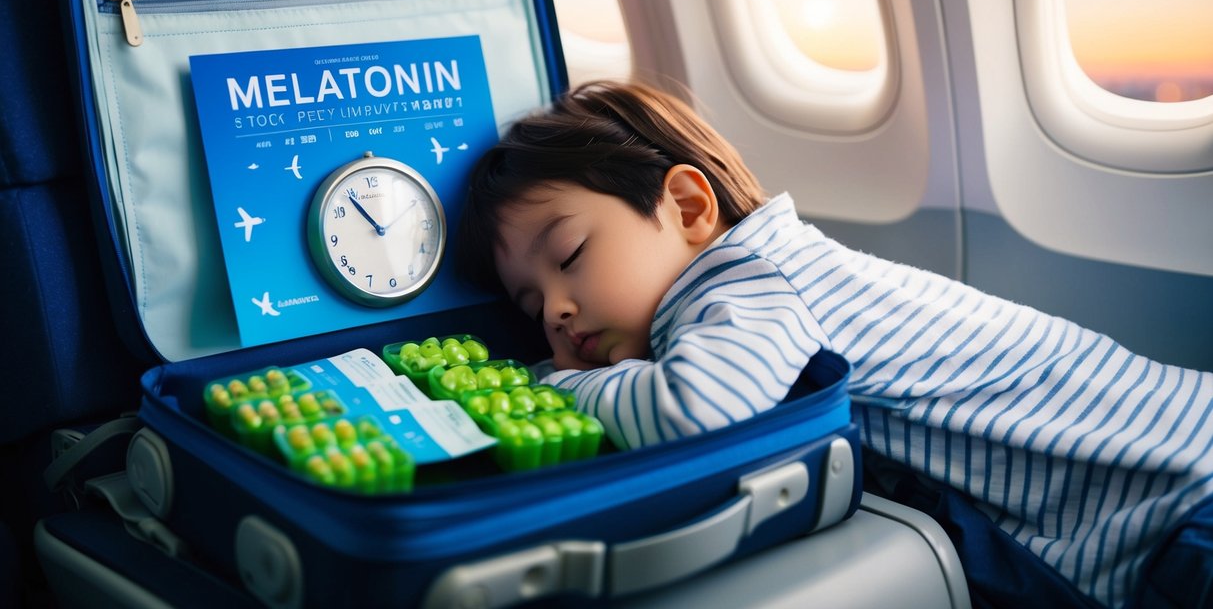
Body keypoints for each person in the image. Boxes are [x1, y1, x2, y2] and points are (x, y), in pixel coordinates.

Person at [456, 80, 1213, 609]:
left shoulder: (748, 281)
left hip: (1177, 505)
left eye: (571, 257)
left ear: (686, 206)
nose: (555, 311)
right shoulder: (779, 268)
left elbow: (697, 413)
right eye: (530, 302)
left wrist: (553, 387)